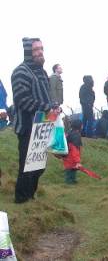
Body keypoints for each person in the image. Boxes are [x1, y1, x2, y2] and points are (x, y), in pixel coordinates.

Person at [11, 37, 55, 203]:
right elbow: (22, 100)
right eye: (36, 49)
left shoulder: (42, 73)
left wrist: (53, 106)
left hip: (42, 128)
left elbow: (47, 97)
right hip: (27, 127)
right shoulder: (20, 72)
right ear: (28, 52)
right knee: (26, 166)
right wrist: (45, 107)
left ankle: (31, 195)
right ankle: (21, 198)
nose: (40, 52)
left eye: (41, 48)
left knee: (39, 165)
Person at [61, 119, 83, 184]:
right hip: (71, 155)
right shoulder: (76, 135)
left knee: (72, 168)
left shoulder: (70, 132)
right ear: (80, 126)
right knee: (70, 168)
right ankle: (69, 181)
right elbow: (75, 149)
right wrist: (77, 161)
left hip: (66, 154)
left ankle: (73, 180)